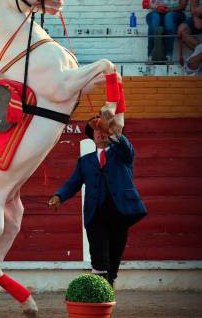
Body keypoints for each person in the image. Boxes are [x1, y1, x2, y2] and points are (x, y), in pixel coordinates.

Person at [48, 119, 147, 287]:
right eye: (97, 130)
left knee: (115, 254)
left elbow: (126, 149)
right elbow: (72, 183)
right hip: (95, 214)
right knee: (98, 256)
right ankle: (101, 293)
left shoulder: (122, 153)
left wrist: (114, 131)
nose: (101, 133)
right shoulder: (85, 161)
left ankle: (109, 285)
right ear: (92, 135)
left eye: (104, 130)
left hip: (119, 213)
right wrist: (59, 196)